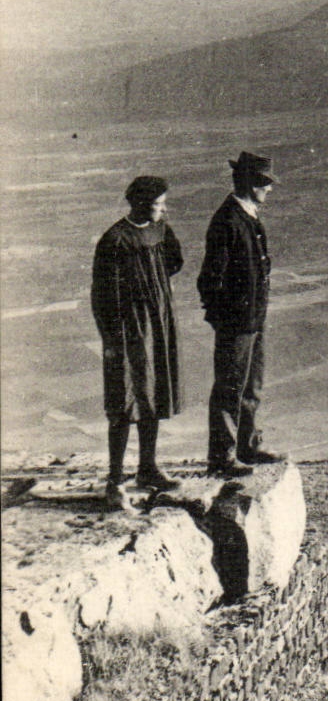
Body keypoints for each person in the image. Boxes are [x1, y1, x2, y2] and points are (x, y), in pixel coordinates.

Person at [92, 175, 184, 506]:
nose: (164, 209)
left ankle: (147, 468)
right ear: (143, 205)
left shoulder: (160, 229)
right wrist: (113, 339)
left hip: (156, 326)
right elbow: (102, 297)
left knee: (154, 395)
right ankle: (115, 481)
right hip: (129, 333)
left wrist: (155, 293)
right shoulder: (115, 240)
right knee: (125, 401)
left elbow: (174, 261)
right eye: (159, 204)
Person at [199, 151, 284, 477]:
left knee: (252, 385)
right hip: (238, 322)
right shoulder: (229, 220)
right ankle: (222, 456)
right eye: (264, 183)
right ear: (248, 183)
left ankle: (248, 445)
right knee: (230, 387)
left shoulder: (247, 214)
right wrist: (225, 319)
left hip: (254, 318)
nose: (269, 189)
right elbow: (209, 279)